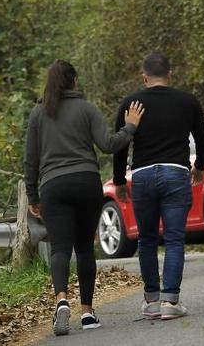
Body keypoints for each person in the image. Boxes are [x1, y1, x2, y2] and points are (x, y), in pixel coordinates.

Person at [24, 60, 145, 336]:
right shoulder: (87, 109)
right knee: (84, 248)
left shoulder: (38, 114)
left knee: (60, 249)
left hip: (53, 185)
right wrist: (130, 127)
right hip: (86, 182)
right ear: (75, 82)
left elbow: (30, 160)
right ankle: (88, 313)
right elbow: (108, 144)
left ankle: (61, 300)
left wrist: (33, 194)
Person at [112, 52, 204, 321]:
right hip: (176, 173)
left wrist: (119, 180)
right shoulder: (187, 101)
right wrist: (200, 166)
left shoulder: (131, 103)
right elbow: (202, 140)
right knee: (175, 239)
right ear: (170, 74)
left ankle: (151, 301)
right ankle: (170, 302)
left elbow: (120, 146)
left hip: (142, 176)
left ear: (144, 77)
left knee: (146, 239)